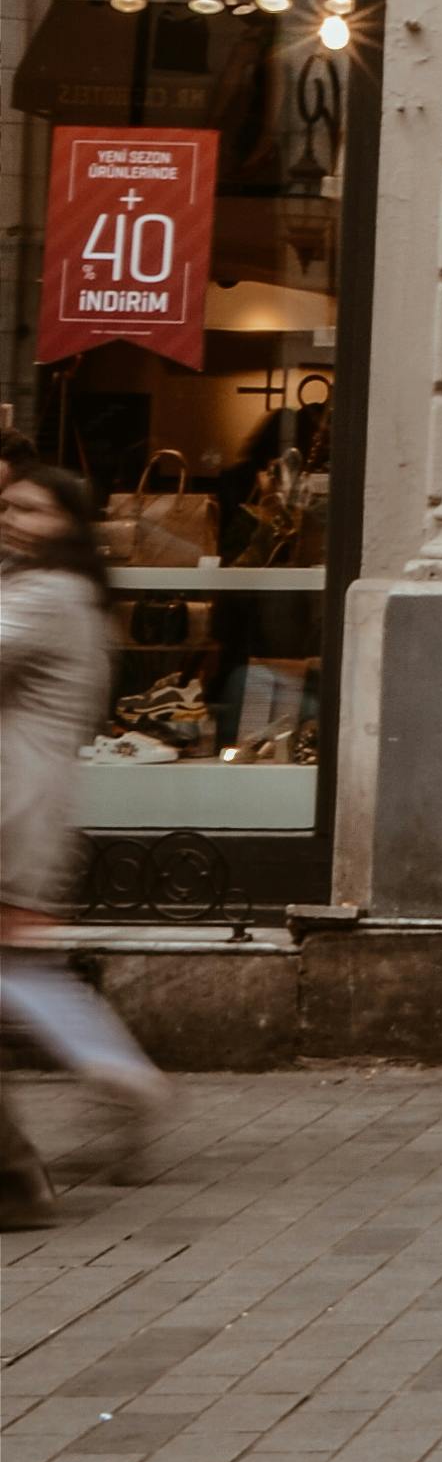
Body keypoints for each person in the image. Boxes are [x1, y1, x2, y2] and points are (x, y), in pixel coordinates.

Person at [4, 459, 176, 1219]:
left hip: (9, 797)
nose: (10, 518)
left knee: (16, 959)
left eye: (28, 510)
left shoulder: (46, 595)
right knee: (19, 962)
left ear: (67, 524)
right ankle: (119, 1075)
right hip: (32, 796)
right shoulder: (68, 594)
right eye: (5, 507)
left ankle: (118, 1078)